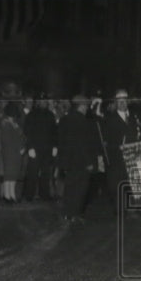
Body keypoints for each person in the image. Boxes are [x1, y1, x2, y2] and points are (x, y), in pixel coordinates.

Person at [58, 95, 99, 223]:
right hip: (81, 161)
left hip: (69, 161)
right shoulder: (81, 121)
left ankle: (67, 213)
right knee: (80, 189)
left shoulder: (65, 119)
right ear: (81, 106)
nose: (87, 108)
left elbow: (61, 140)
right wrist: (88, 162)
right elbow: (82, 144)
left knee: (69, 187)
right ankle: (75, 214)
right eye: (86, 106)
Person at [23, 98, 57, 201]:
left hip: (47, 149)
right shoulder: (32, 115)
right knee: (32, 173)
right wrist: (30, 147)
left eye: (45, 101)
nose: (43, 103)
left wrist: (55, 146)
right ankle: (29, 195)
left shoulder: (50, 115)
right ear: (37, 102)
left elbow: (54, 132)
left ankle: (44, 194)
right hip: (35, 149)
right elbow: (27, 132)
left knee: (46, 173)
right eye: (41, 101)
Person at [0, 102, 27, 203]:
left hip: (16, 152)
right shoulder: (5, 124)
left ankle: (12, 194)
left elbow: (22, 137)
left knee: (14, 175)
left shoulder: (15, 124)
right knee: (8, 175)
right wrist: (19, 147)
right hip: (9, 152)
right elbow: (7, 140)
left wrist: (22, 147)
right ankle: (6, 195)